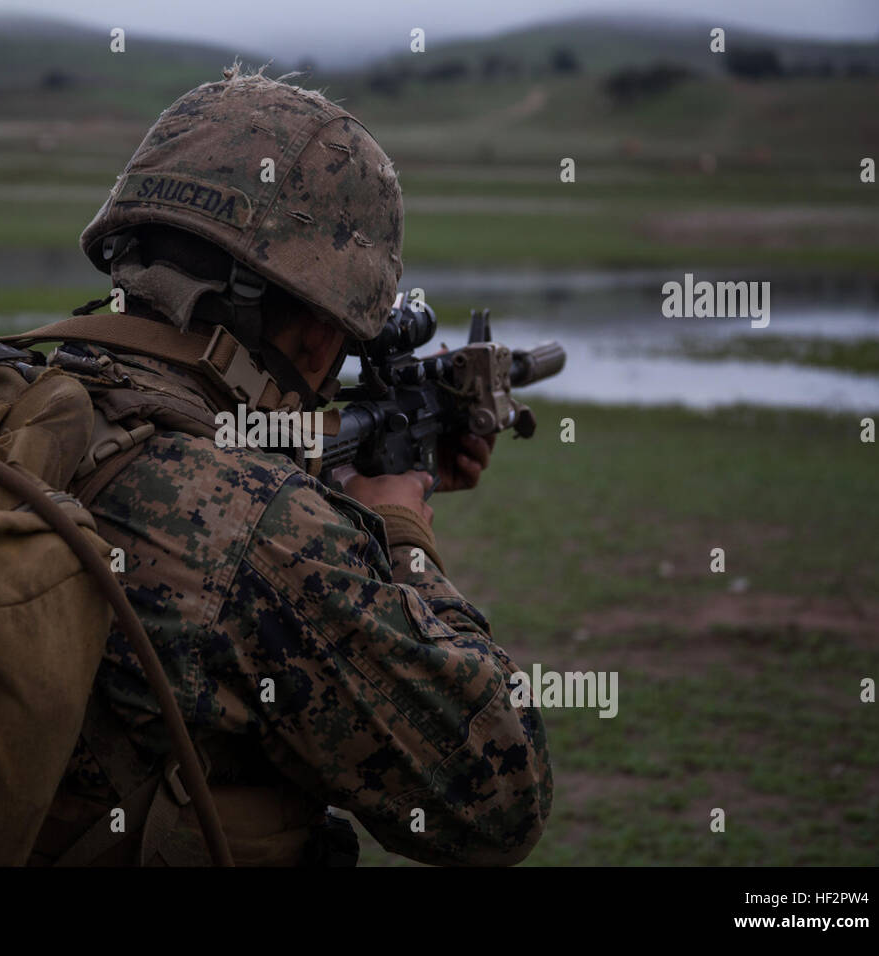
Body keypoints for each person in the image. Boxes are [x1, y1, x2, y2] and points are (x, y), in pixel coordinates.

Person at [28, 65, 552, 867]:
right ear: (316, 329)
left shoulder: (12, 393)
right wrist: (401, 528)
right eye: (345, 337)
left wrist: (364, 473)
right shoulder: (259, 536)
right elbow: (498, 796)